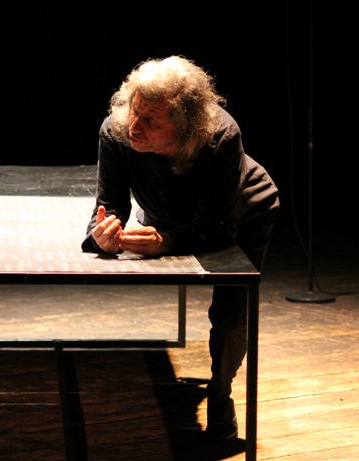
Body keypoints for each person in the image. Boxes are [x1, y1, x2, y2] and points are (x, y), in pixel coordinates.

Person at [82, 55, 279, 442]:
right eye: (135, 111)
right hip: (168, 207)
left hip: (241, 215)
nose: (134, 126)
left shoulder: (221, 136)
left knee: (230, 316)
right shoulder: (117, 132)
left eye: (151, 121)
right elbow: (109, 206)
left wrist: (166, 241)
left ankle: (221, 393)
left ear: (185, 126)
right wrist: (100, 233)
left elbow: (217, 225)